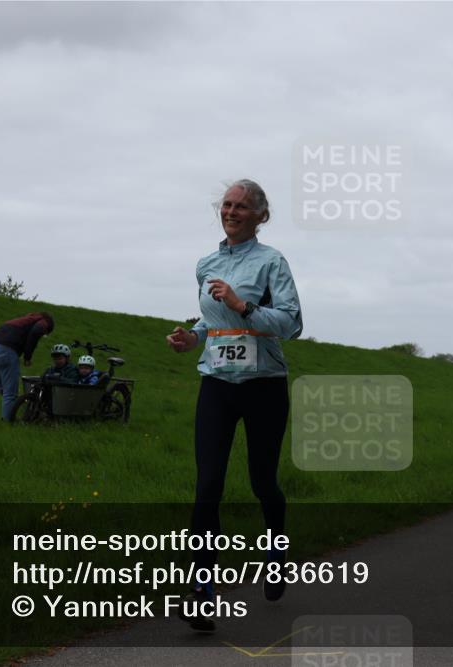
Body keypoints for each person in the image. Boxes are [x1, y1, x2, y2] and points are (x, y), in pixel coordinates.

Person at [166, 179, 303, 633]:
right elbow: (210, 317)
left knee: (263, 481)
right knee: (207, 487)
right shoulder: (206, 263)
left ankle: (276, 551)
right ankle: (203, 591)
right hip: (217, 384)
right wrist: (193, 337)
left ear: (261, 215)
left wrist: (245, 306)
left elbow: (292, 323)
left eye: (243, 206)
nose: (232, 211)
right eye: (227, 204)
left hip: (264, 385)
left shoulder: (272, 261)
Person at [0, 312, 54, 421]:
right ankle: (8, 422)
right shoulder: (43, 321)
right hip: (7, 350)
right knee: (10, 393)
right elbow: (36, 332)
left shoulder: (21, 320)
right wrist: (27, 357)